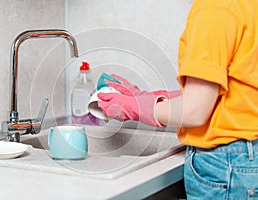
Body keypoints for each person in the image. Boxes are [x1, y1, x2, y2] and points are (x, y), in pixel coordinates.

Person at [97, 0, 258, 199]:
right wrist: (148, 98)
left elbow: (194, 111)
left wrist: (135, 107)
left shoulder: (215, 8)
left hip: (227, 161)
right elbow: (239, 93)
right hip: (248, 157)